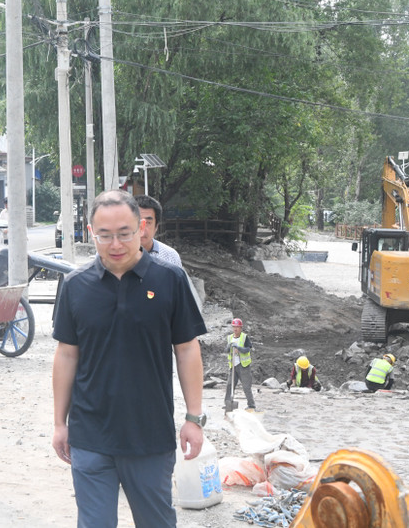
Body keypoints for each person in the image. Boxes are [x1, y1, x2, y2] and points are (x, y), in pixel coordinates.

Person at [52, 190, 206, 527]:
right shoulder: (76, 285)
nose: (115, 244)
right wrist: (60, 423)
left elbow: (187, 349)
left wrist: (194, 418)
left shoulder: (170, 279)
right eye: (105, 235)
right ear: (91, 233)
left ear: (142, 229)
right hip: (90, 434)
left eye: (124, 233)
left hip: (150, 434)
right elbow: (66, 354)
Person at [135, 194, 182, 268]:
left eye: (148, 223)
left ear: (156, 226)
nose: (142, 229)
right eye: (137, 222)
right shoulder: (117, 255)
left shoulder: (170, 256)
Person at [226, 317, 257, 411]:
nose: (235, 329)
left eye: (237, 327)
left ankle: (251, 405)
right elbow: (226, 350)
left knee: (246, 386)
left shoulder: (244, 337)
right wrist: (229, 347)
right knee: (229, 385)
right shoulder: (230, 338)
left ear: (240, 328)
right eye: (234, 327)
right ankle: (228, 403)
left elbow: (247, 349)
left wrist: (238, 348)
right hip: (233, 366)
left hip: (243, 366)